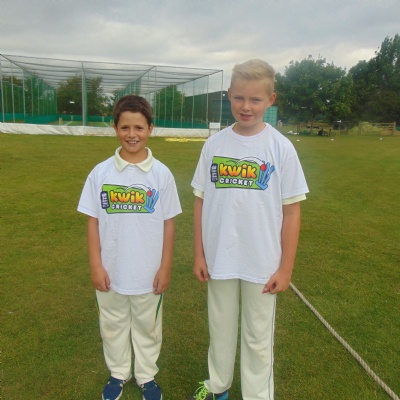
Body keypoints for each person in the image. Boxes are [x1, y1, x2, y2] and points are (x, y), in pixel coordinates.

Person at [188, 59, 309, 400]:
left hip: (263, 262)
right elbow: (200, 201)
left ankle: (257, 395)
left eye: (256, 99)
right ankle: (218, 385)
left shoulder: (281, 148)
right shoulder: (214, 145)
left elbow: (292, 212)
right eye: (240, 97)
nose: (246, 106)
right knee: (220, 327)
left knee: (258, 337)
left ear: (271, 99)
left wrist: (285, 268)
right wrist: (199, 254)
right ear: (229, 95)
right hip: (219, 257)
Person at [77, 95, 182, 400]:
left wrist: (165, 267)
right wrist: (96, 265)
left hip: (148, 272)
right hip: (111, 271)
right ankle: (118, 373)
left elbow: (169, 224)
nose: (132, 134)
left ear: (150, 128)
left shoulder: (161, 174)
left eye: (139, 127)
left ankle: (146, 375)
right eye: (125, 127)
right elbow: (93, 221)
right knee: (112, 325)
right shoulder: (100, 173)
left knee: (148, 327)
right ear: (115, 128)